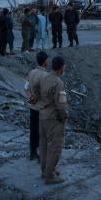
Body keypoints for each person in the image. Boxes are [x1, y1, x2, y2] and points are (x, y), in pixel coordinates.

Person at [37, 56, 68, 184]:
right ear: (62, 67)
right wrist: (65, 116)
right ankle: (49, 176)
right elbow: (61, 104)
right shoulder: (58, 83)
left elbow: (35, 92)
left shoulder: (44, 77)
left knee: (43, 146)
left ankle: (45, 170)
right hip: (53, 119)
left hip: (42, 115)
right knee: (55, 147)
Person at [25, 51, 49, 160]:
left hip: (32, 107)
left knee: (33, 130)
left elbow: (26, 87)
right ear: (45, 62)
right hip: (42, 108)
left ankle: (32, 153)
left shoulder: (31, 72)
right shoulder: (46, 76)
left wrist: (31, 97)